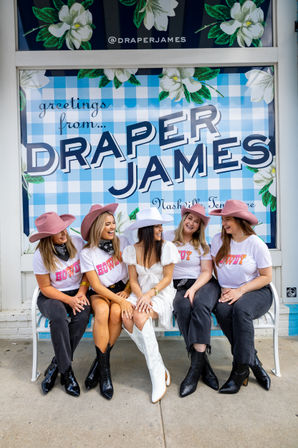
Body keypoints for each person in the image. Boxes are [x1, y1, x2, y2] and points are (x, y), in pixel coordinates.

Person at [210, 199, 273, 394]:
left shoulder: (255, 244)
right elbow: (215, 269)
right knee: (221, 308)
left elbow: (266, 277)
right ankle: (253, 362)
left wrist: (241, 290)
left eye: (228, 219)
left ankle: (239, 371)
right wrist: (223, 288)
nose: (224, 223)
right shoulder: (218, 240)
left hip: (256, 291)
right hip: (229, 292)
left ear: (240, 220)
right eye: (223, 219)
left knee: (241, 309)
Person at [122, 207, 180, 404]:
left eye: (161, 225)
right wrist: (141, 297)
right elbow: (134, 281)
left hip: (161, 294)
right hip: (139, 294)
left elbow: (167, 278)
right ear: (146, 229)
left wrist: (149, 295)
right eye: (157, 226)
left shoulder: (167, 247)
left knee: (139, 316)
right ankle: (161, 368)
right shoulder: (131, 250)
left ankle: (156, 376)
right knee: (126, 317)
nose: (161, 229)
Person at [30, 212, 91, 397]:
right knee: (58, 317)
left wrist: (80, 293)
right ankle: (67, 373)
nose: (63, 233)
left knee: (82, 316)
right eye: (57, 231)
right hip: (51, 296)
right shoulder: (41, 254)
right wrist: (69, 300)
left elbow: (88, 272)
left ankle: (55, 366)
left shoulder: (78, 243)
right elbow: (46, 288)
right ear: (48, 236)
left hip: (77, 292)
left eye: (63, 228)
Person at [164, 204, 221, 397]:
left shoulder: (203, 245)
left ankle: (194, 371)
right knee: (181, 305)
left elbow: (206, 272)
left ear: (199, 227)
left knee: (200, 305)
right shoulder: (167, 237)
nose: (192, 223)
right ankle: (204, 366)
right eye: (189, 218)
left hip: (202, 283)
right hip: (177, 285)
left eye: (196, 222)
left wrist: (194, 289)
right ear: (183, 219)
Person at [80, 203, 133, 400]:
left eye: (113, 223)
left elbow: (132, 273)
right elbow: (96, 285)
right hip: (100, 292)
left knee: (117, 313)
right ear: (96, 227)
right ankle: (106, 374)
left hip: (122, 289)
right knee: (102, 312)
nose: (112, 227)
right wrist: (117, 299)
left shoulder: (123, 242)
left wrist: (126, 292)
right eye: (106, 224)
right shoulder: (87, 252)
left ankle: (99, 366)